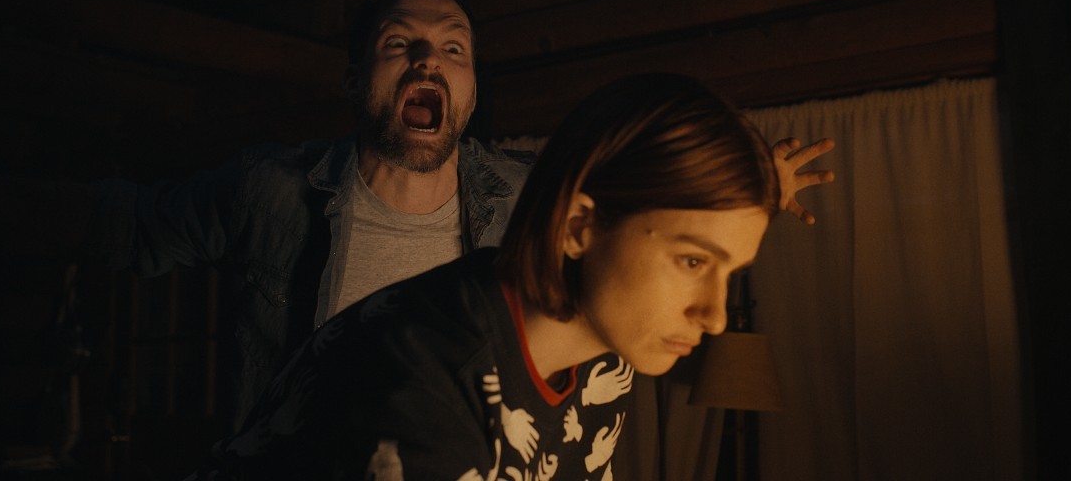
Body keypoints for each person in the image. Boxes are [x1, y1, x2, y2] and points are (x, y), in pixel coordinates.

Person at [0, 0, 832, 440]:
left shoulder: (527, 198)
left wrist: (754, 184)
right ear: (356, 78)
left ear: (471, 89)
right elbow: (123, 225)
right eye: (401, 45)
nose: (429, 60)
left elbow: (634, 192)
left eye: (453, 49)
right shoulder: (271, 192)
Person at [186, 73, 781, 480]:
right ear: (578, 226)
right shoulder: (422, 384)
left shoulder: (605, 356)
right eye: (694, 262)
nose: (715, 316)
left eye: (729, 270)